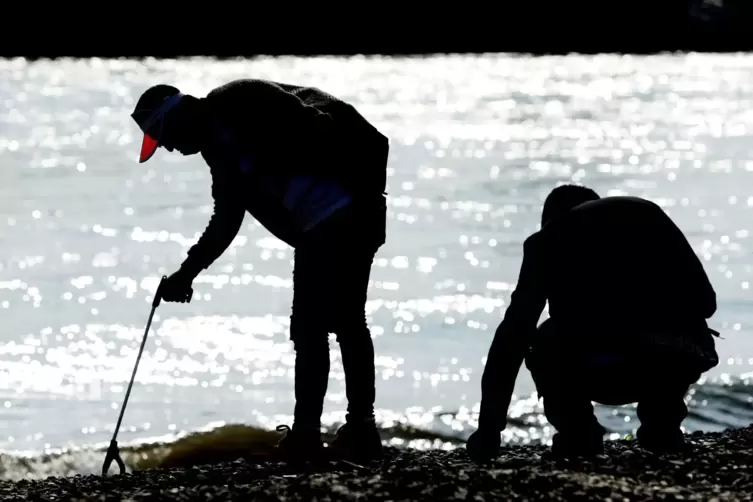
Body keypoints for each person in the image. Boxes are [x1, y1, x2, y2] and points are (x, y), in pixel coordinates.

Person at [130, 79, 389, 463]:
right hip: (330, 222)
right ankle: (358, 432)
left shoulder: (239, 98)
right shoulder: (219, 153)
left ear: (179, 114)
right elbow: (227, 219)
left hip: (341, 214)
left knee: (314, 327)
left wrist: (328, 185)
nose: (168, 147)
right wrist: (188, 271)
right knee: (344, 323)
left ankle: (310, 436)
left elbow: (318, 125)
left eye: (163, 136)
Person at [467, 184, 720, 461]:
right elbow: (707, 303)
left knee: (542, 339)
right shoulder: (646, 213)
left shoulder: (546, 241)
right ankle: (663, 428)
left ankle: (579, 435)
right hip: (677, 356)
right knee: (677, 330)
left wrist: (489, 429)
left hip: (605, 363)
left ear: (550, 220)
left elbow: (512, 338)